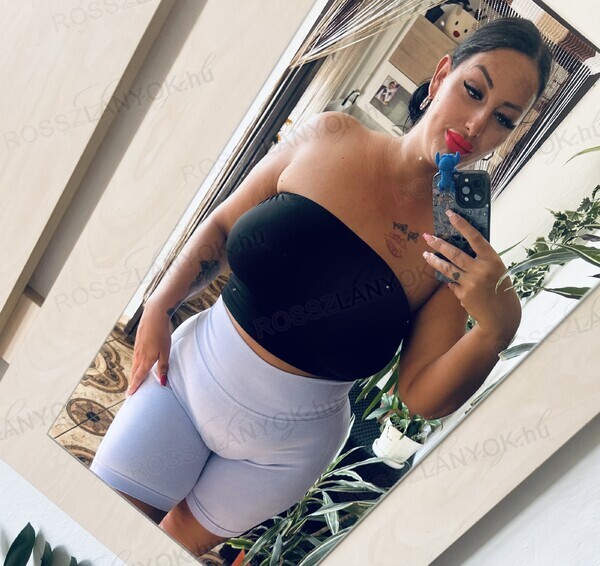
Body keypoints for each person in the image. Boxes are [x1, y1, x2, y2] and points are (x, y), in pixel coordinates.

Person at [89, 16, 552, 559]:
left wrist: (497, 329)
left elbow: (420, 394)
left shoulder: (457, 233)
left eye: (502, 119)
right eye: (473, 91)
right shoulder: (331, 134)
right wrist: (159, 304)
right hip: (187, 379)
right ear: (442, 74)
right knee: (92, 528)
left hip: (283, 453)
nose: (475, 125)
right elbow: (221, 228)